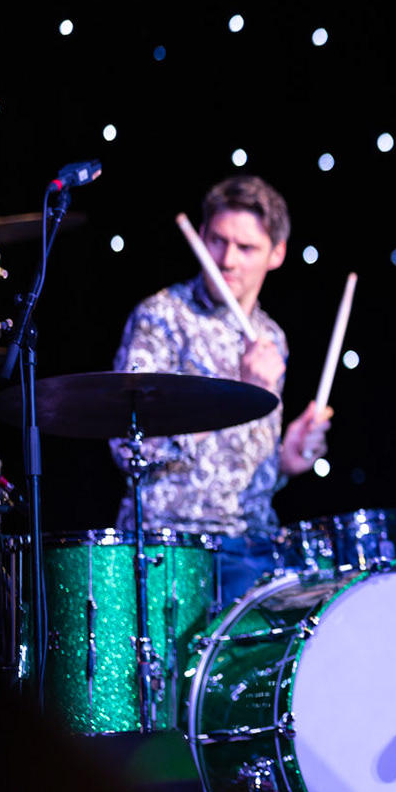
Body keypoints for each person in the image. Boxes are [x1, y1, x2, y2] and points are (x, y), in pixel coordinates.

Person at [111, 176, 331, 605]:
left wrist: (285, 458)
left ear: (277, 254)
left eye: (246, 248)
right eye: (217, 241)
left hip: (255, 544)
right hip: (173, 546)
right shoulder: (162, 317)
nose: (227, 259)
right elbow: (130, 448)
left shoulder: (272, 337)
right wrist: (238, 396)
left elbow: (238, 466)